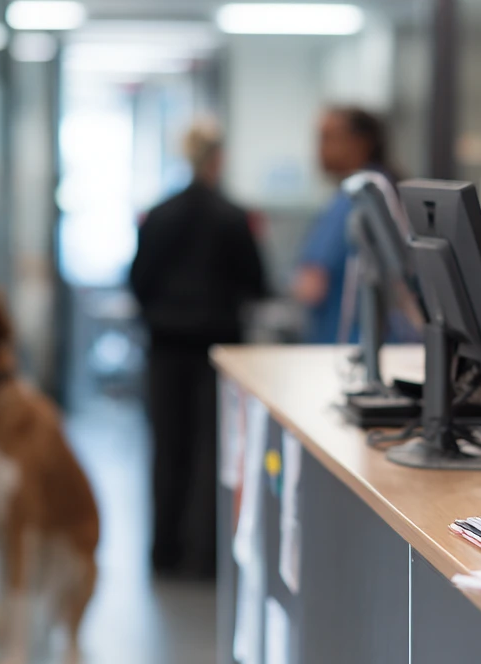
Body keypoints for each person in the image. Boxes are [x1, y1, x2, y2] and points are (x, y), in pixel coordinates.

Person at [130, 121, 269, 578]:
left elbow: (137, 282)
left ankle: (163, 551)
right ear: (218, 158)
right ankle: (205, 557)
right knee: (214, 449)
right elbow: (257, 284)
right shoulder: (233, 217)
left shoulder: (160, 214)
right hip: (217, 350)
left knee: (167, 448)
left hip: (165, 348)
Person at [292, 106, 394, 344]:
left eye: (328, 138)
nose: (318, 150)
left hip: (344, 346)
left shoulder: (356, 196)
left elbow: (310, 286)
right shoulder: (383, 188)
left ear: (361, 143)